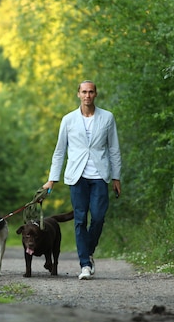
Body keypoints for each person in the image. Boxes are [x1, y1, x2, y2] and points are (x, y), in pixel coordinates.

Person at [42, 80, 122, 280]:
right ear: (78, 94)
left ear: (96, 94)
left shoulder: (107, 118)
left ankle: (88, 250)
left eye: (91, 92)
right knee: (79, 220)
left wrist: (116, 177)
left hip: (99, 175)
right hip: (77, 177)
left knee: (98, 217)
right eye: (84, 92)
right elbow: (60, 151)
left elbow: (114, 149)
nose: (87, 95)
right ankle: (85, 264)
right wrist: (52, 179)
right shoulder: (68, 120)